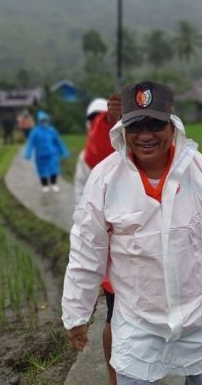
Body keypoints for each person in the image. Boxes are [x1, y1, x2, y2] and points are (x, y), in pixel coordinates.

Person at [62, 81, 202, 384]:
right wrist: (76, 313)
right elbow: (86, 250)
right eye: (136, 126)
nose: (145, 135)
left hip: (199, 321)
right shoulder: (105, 180)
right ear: (123, 130)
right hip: (137, 324)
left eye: (155, 123)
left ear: (172, 125)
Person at [73, 95, 122, 385]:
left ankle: (115, 378)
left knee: (115, 314)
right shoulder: (108, 155)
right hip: (114, 244)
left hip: (108, 243)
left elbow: (78, 208)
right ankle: (118, 376)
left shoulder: (89, 156)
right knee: (117, 315)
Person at [24, 110, 69, 193]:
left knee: (54, 169)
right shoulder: (35, 132)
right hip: (40, 156)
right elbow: (30, 143)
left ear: (48, 120)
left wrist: (63, 151)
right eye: (42, 120)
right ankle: (44, 185)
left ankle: (54, 184)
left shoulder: (52, 130)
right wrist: (28, 153)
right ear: (39, 121)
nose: (44, 122)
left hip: (52, 155)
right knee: (42, 171)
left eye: (45, 120)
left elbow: (58, 141)